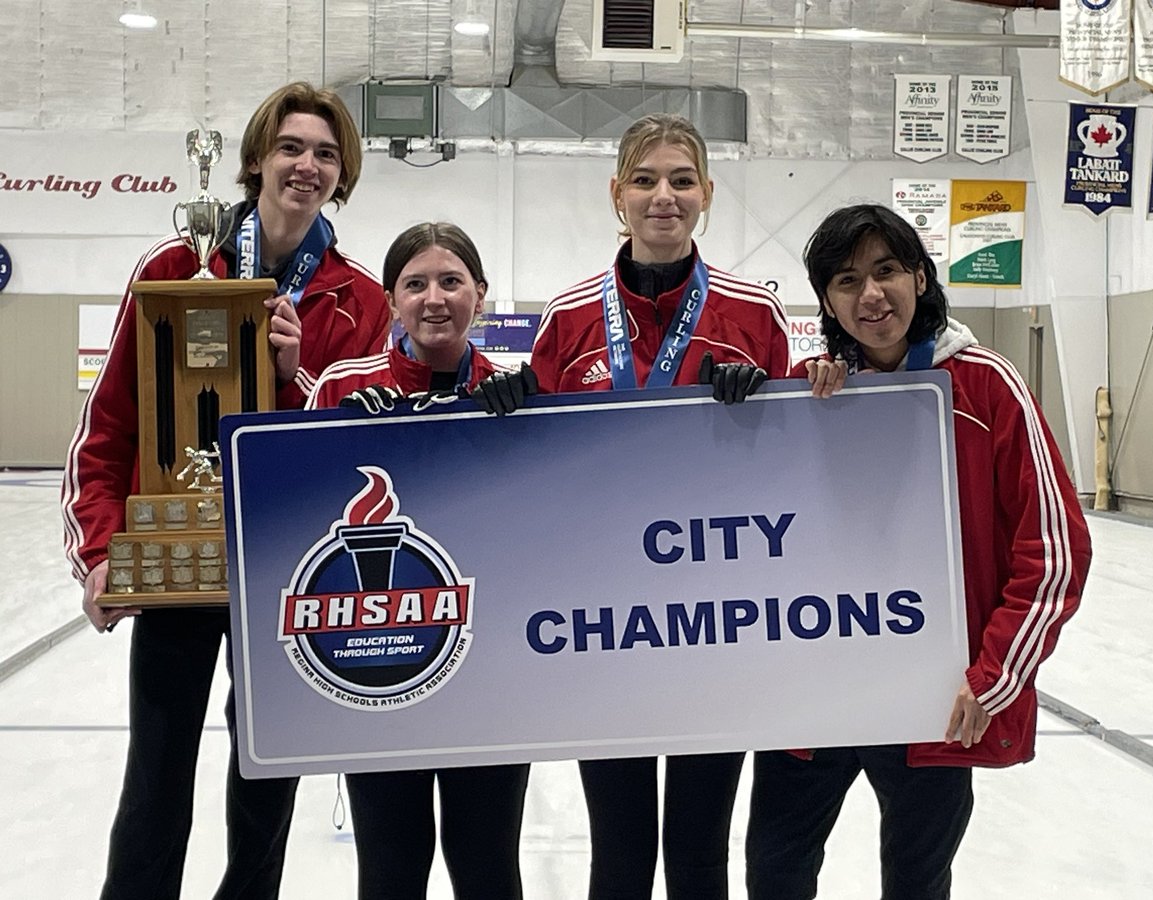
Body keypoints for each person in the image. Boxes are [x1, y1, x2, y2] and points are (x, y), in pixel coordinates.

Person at [61, 82, 392, 899]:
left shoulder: (361, 300)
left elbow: (358, 453)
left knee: (266, 790)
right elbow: (108, 431)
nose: (306, 167)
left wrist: (292, 376)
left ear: (341, 172)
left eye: (324, 153)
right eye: (290, 148)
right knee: (155, 783)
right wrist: (101, 553)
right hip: (178, 567)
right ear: (254, 161)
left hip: (281, 577)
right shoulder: (176, 268)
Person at [746, 203, 1092, 899]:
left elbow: (1054, 554)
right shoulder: (805, 393)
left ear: (922, 278)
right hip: (814, 698)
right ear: (827, 303)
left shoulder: (988, 386)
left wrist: (992, 676)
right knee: (775, 875)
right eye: (847, 281)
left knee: (916, 882)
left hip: (933, 699)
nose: (871, 295)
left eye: (887, 271)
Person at [529, 113, 792, 900]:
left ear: (707, 193)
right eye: (645, 180)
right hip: (602, 630)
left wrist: (766, 414)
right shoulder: (570, 319)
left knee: (702, 854)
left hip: (714, 626)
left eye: (681, 179)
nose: (663, 196)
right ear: (617, 194)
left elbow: (792, 474)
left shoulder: (755, 317)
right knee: (618, 852)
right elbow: (534, 476)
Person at [306, 222, 530, 899]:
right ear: (391, 299)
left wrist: (525, 430)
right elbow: (298, 521)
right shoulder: (345, 384)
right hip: (383, 665)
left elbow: (547, 532)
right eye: (416, 284)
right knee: (392, 866)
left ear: (480, 295)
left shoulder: (518, 389)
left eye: (452, 281)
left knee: (488, 864)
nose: (435, 298)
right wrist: (338, 435)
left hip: (491, 676)